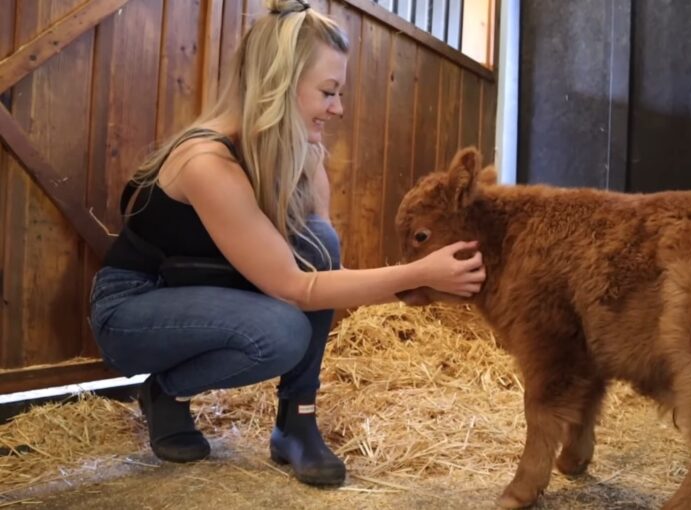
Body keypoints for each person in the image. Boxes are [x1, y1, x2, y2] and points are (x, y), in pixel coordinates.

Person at [89, 0, 485, 488]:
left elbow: (319, 260)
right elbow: (299, 288)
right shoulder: (207, 162)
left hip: (209, 291)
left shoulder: (293, 149)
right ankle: (167, 392)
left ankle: (297, 418)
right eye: (328, 92)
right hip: (134, 308)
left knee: (319, 240)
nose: (338, 108)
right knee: (278, 333)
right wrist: (419, 275)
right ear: (278, 84)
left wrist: (308, 160)